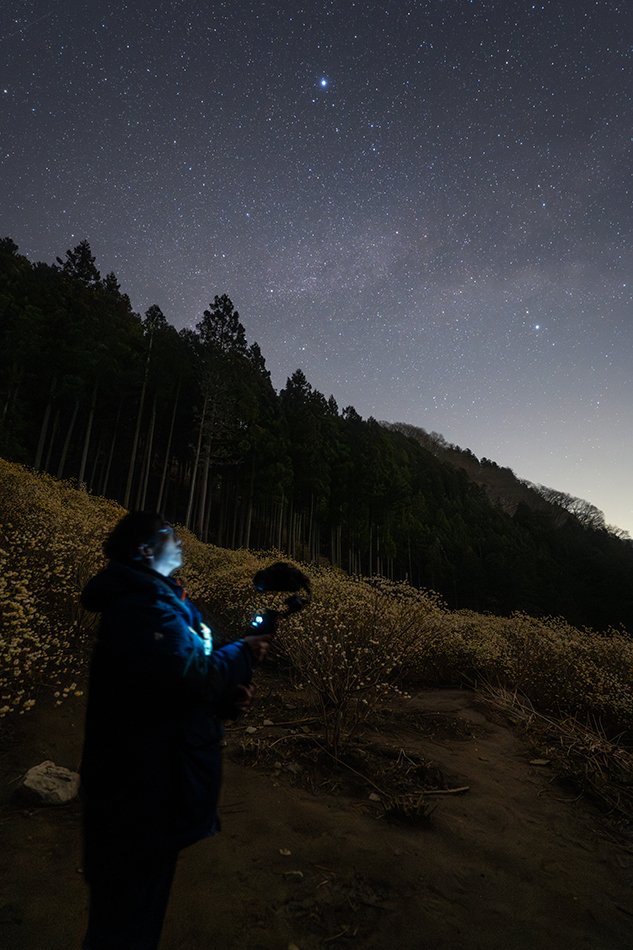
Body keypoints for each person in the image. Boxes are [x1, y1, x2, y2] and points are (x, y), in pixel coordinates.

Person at [79, 511, 270, 950]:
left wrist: (224, 700)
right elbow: (190, 676)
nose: (181, 541)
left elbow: (167, 688)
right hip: (137, 795)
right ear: (144, 550)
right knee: (125, 926)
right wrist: (242, 653)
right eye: (170, 535)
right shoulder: (143, 608)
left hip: (152, 786)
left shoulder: (159, 602)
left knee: (136, 916)